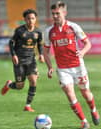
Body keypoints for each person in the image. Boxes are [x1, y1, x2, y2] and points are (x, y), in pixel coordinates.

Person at [43, 1, 100, 129]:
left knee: (85, 93)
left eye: (57, 13)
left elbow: (88, 43)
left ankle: (93, 110)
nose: (55, 16)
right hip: (63, 69)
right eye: (53, 14)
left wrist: (82, 52)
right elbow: (45, 52)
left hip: (78, 66)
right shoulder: (49, 31)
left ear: (64, 13)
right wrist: (50, 67)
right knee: (69, 93)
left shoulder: (74, 27)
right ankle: (84, 122)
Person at [1, 9, 44, 112]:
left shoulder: (38, 32)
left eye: (33, 18)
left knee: (33, 81)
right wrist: (14, 55)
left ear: (35, 19)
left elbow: (39, 44)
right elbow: (11, 43)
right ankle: (9, 85)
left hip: (31, 60)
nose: (31, 20)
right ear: (25, 19)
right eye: (28, 18)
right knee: (20, 86)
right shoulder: (20, 31)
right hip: (19, 60)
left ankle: (27, 105)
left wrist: (41, 54)